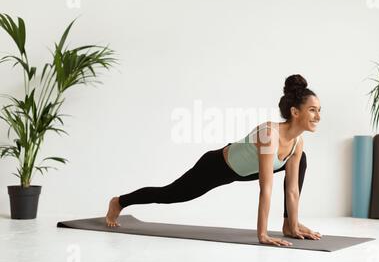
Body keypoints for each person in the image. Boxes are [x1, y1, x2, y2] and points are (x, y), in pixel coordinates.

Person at [106, 74, 322, 247]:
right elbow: (265, 189)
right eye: (312, 110)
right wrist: (262, 234)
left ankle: (290, 225)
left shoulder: (297, 142)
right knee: (171, 194)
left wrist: (292, 224)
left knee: (300, 159)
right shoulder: (270, 134)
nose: (318, 116)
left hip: (246, 169)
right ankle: (119, 201)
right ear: (295, 112)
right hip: (217, 166)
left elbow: (292, 190)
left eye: (319, 110)